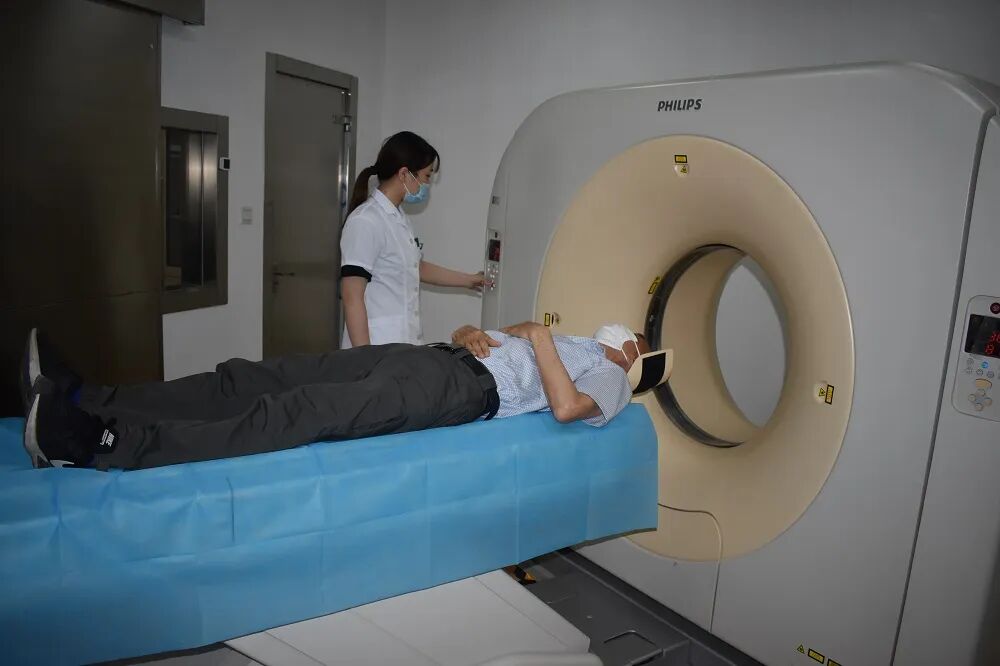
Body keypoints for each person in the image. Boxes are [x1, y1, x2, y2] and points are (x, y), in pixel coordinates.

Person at [19, 321, 666, 471]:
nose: (625, 332)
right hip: (430, 355)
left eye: (636, 338)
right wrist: (471, 331)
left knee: (299, 412)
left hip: (457, 390)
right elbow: (494, 343)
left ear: (637, 356)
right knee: (253, 378)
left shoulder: (612, 377)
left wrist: (540, 337)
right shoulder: (576, 338)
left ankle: (100, 443)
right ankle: (94, 398)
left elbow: (566, 409)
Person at [341, 131, 487, 348]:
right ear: (404, 174)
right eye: (426, 176)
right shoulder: (365, 221)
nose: (427, 184)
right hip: (375, 348)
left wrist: (469, 280)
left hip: (402, 345)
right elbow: (352, 297)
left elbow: (415, 268)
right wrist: (366, 358)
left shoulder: (398, 218)